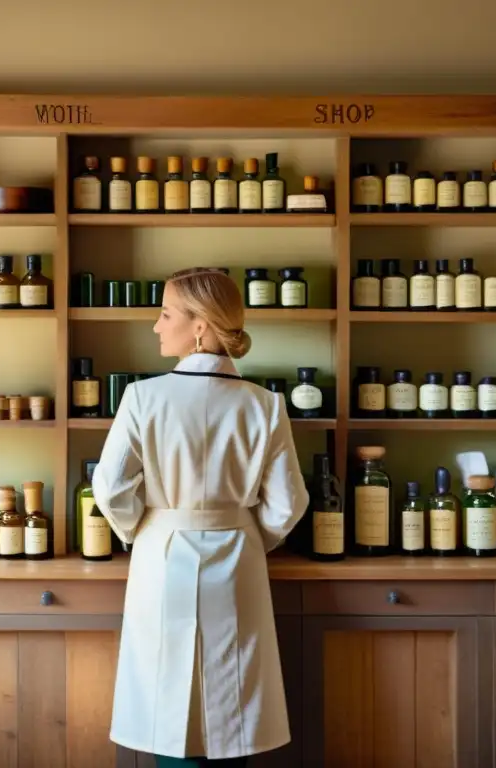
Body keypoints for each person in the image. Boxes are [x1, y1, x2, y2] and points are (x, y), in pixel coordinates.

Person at [93, 267, 309, 767]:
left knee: (167, 696)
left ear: (199, 327)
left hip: (161, 557)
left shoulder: (143, 398)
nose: (155, 326)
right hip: (239, 558)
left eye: (165, 313)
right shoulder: (266, 406)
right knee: (233, 696)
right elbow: (287, 504)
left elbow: (110, 488)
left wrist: (143, 530)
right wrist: (252, 535)